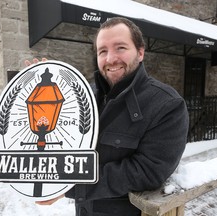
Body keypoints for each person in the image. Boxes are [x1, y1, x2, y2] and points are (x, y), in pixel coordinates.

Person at [31, 17, 189, 216]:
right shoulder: (84, 95)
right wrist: (35, 87)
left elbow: (148, 171)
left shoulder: (167, 105)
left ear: (140, 53)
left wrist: (70, 185)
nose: (110, 59)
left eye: (120, 48)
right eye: (102, 51)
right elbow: (58, 133)